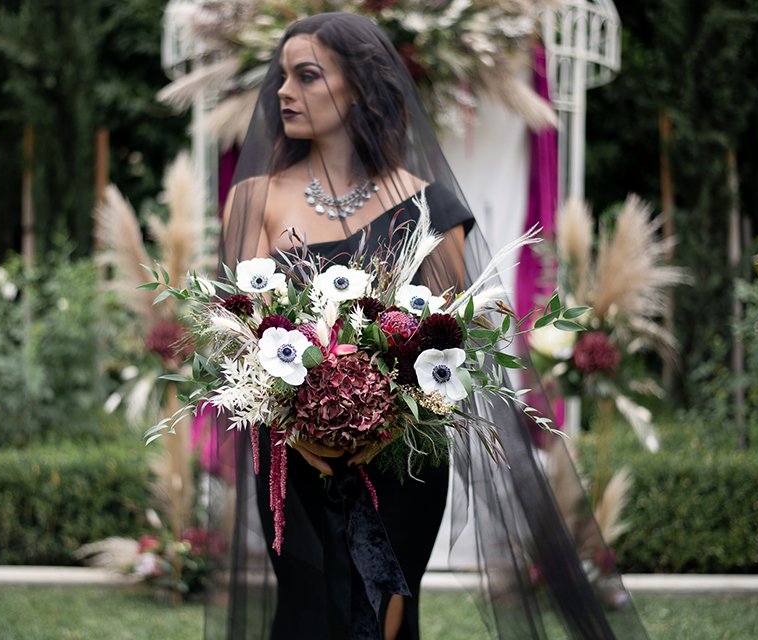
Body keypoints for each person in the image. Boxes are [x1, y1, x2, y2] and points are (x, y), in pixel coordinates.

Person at [208, 12, 648, 640]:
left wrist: (374, 424)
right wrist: (309, 429)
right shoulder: (253, 198)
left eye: (306, 76)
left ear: (359, 86)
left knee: (386, 615)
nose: (283, 93)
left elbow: (447, 345)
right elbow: (241, 336)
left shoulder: (430, 207)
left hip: (399, 459)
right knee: (307, 610)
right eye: (281, 77)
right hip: (294, 459)